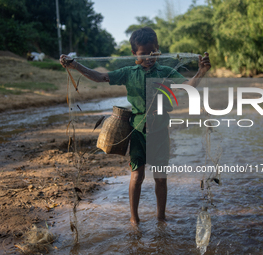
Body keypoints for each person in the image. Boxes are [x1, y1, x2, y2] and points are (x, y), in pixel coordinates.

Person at [60, 27, 211, 224]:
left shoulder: (165, 72)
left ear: (158, 50)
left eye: (153, 53)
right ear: (134, 54)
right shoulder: (128, 73)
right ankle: (134, 218)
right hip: (138, 132)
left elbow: (189, 86)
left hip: (160, 133)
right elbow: (100, 76)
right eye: (143, 54)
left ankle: (161, 219)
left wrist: (201, 71)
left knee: (160, 178)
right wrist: (75, 66)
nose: (149, 57)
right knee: (137, 175)